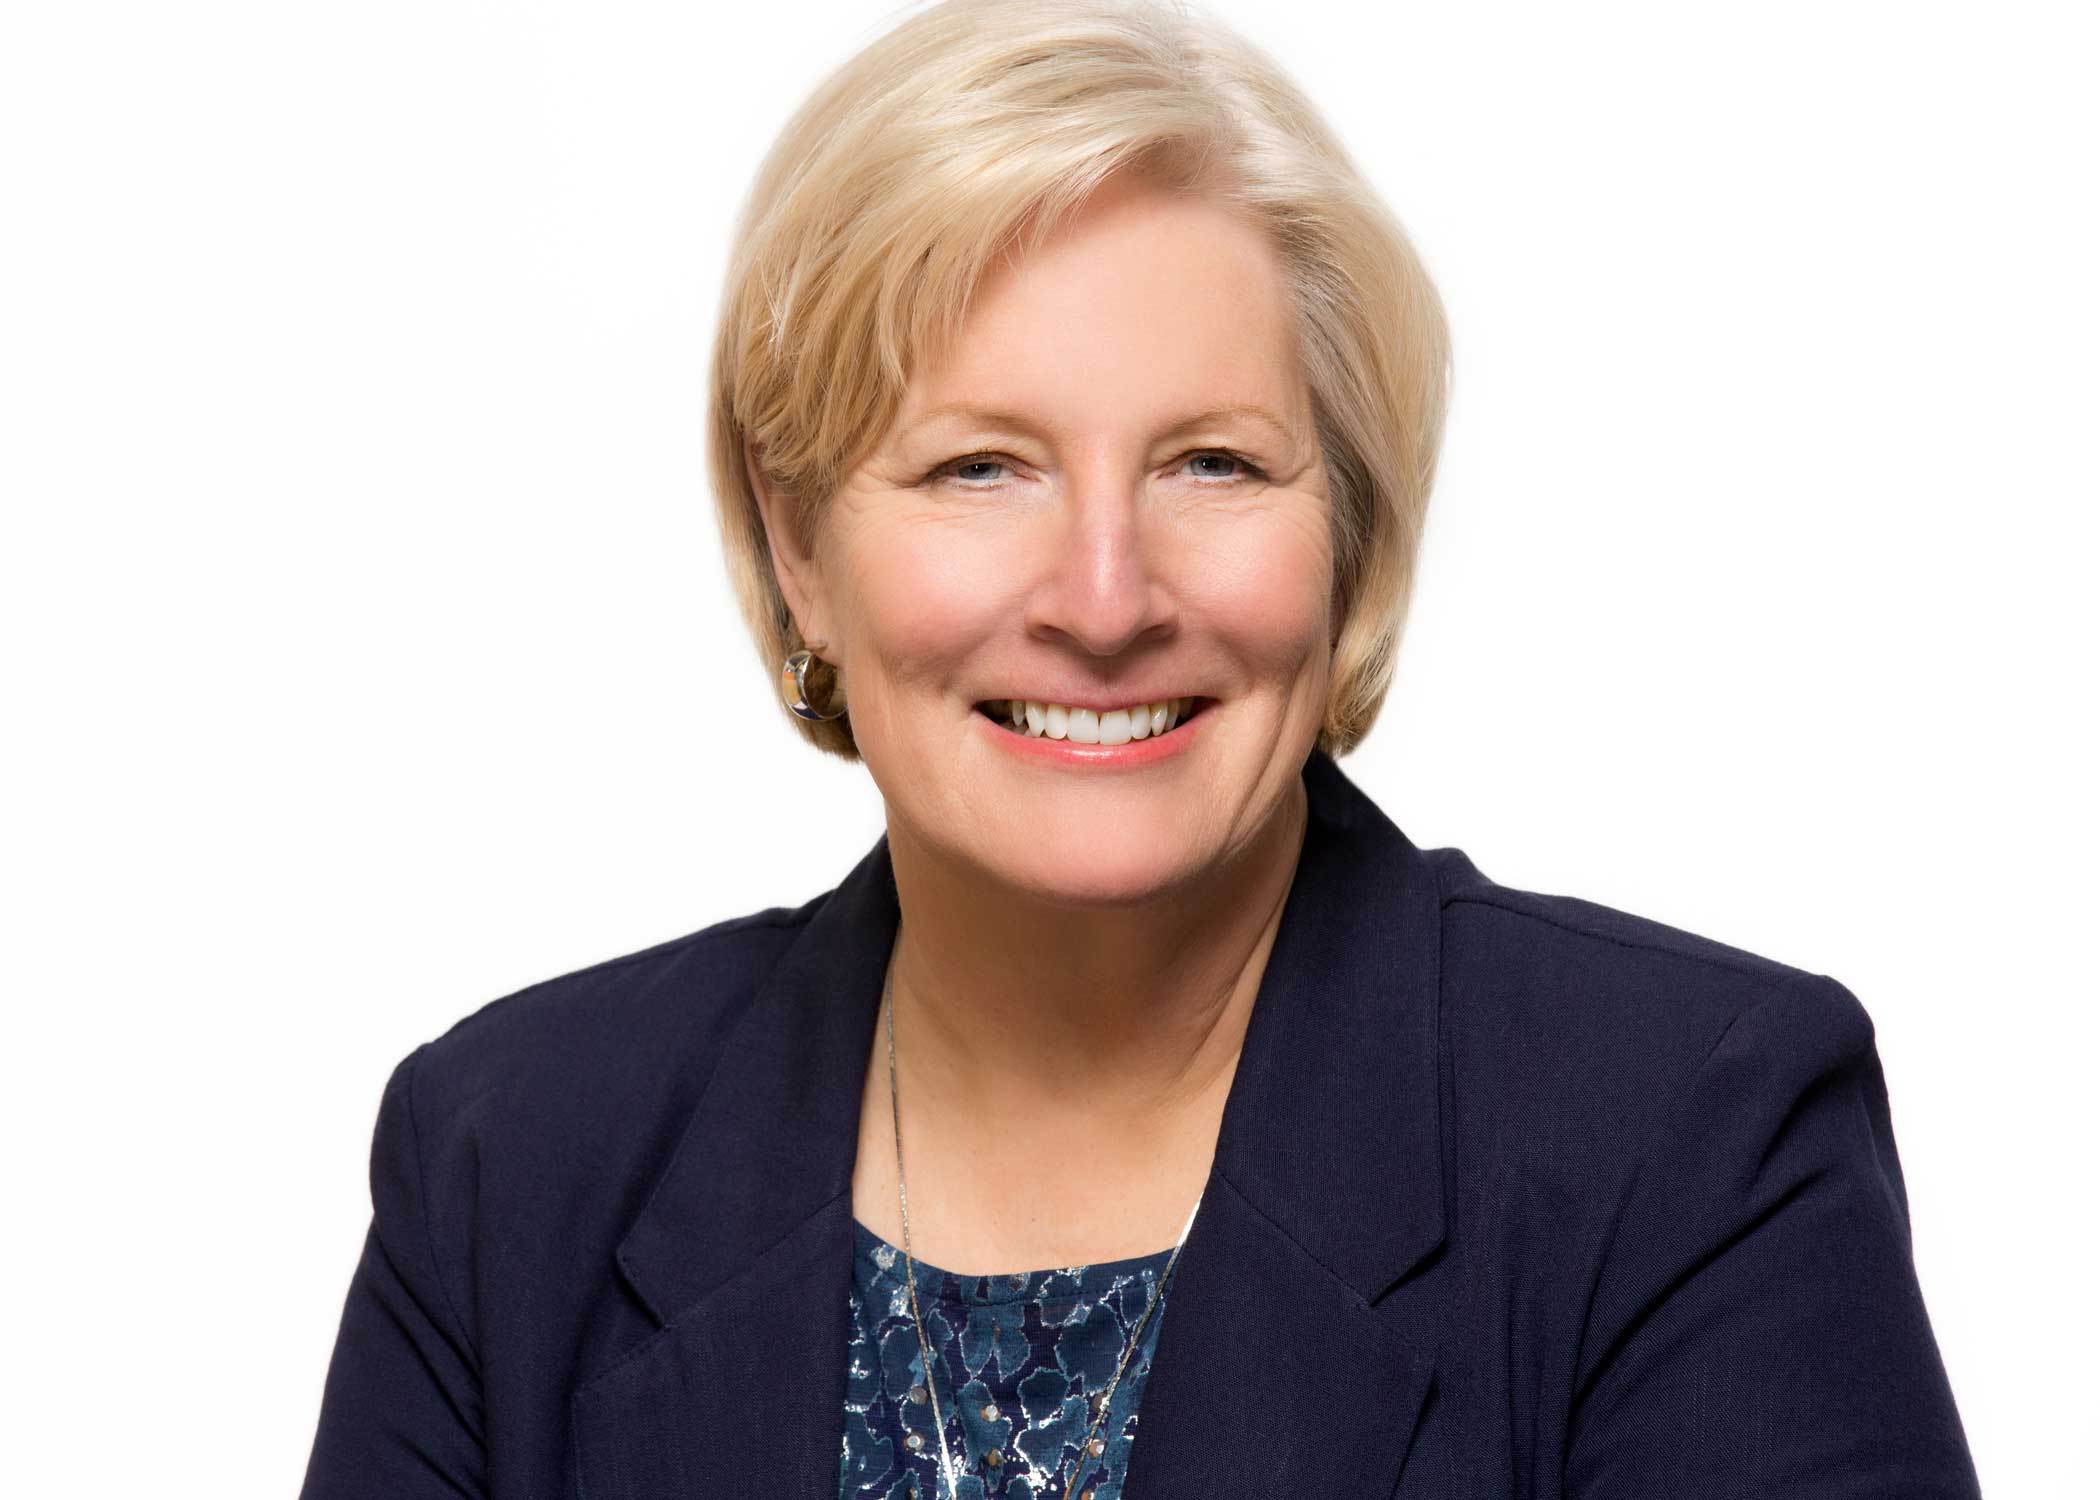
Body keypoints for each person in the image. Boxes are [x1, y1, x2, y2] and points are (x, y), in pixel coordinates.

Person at [297, 2, 1982, 1496]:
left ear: (1349, 536)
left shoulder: (1687, 1142)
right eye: (979, 467)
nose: (1104, 601)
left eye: (1211, 465)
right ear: (798, 545)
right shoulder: (509, 1165)